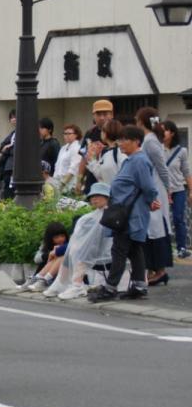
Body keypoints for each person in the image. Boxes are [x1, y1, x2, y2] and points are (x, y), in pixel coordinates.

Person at [88, 125, 159, 303]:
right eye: (119, 140)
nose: (120, 143)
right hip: (127, 212)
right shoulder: (131, 160)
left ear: (136, 142)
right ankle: (138, 286)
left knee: (119, 249)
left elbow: (149, 187)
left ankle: (110, 288)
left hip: (130, 214)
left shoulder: (140, 161)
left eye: (124, 140)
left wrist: (151, 200)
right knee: (134, 249)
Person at [43, 182, 114, 300]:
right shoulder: (92, 216)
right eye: (92, 197)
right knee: (73, 249)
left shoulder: (111, 213)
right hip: (94, 249)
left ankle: (76, 284)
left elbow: (104, 238)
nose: (94, 199)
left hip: (107, 251)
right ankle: (61, 282)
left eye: (98, 196)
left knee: (78, 251)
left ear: (106, 197)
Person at [136, 109, 173, 286]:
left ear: (142, 121)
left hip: (156, 189)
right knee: (151, 230)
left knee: (156, 230)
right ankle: (154, 269)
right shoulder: (149, 140)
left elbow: (162, 167)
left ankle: (159, 270)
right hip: (152, 189)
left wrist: (168, 189)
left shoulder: (150, 141)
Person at [161, 120, 191, 259]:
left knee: (179, 218)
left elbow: (186, 172)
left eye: (165, 130)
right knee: (163, 219)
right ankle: (165, 249)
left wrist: (191, 190)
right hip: (162, 190)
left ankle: (182, 247)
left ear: (172, 133)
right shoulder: (157, 149)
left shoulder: (181, 151)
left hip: (178, 189)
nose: (162, 132)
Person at [19, 221, 69, 292]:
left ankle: (43, 281)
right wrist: (49, 254)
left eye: (62, 236)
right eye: (56, 237)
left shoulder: (67, 245)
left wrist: (58, 251)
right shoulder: (46, 246)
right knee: (44, 258)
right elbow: (36, 259)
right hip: (47, 269)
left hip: (60, 274)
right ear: (50, 238)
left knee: (59, 257)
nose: (60, 239)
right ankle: (36, 280)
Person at [79, 99, 115, 191]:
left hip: (112, 180)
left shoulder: (118, 131)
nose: (102, 117)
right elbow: (84, 157)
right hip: (92, 179)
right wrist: (79, 180)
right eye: (98, 114)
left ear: (112, 115)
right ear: (93, 116)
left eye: (105, 114)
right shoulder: (90, 133)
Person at [85, 119, 123, 186]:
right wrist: (92, 159)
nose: (101, 133)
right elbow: (100, 175)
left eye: (102, 130)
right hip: (107, 192)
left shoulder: (120, 151)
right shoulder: (105, 151)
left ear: (106, 133)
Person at [0, 109, 16, 199]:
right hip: (7, 167)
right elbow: (2, 147)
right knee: (6, 188)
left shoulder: (24, 132)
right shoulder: (13, 133)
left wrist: (8, 148)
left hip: (16, 167)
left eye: (15, 117)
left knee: (13, 190)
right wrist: (7, 148)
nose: (13, 119)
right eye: (12, 118)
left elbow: (13, 149)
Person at [54, 124, 83, 193]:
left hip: (68, 184)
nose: (66, 135)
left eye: (69, 133)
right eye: (65, 133)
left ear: (76, 135)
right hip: (58, 182)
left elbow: (73, 168)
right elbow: (57, 166)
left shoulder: (77, 148)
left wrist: (62, 184)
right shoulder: (63, 148)